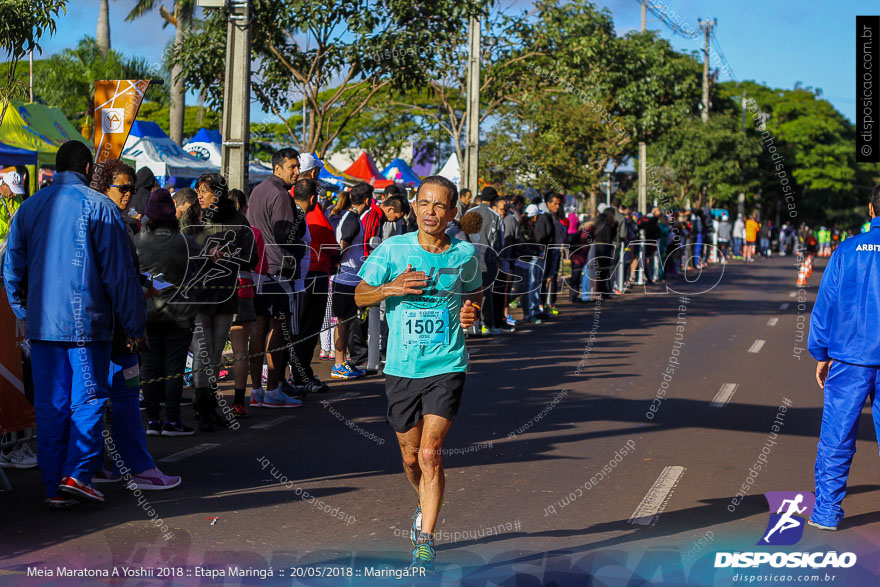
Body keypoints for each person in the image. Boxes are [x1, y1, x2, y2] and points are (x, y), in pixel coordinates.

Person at [4, 141, 147, 509]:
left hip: (42, 326)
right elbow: (119, 276)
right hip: (86, 325)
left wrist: (23, 311)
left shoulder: (30, 207)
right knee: (89, 399)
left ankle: (55, 486)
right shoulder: (101, 208)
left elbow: (11, 267)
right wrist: (133, 324)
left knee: (51, 406)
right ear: (86, 167)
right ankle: (77, 474)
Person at [354, 175, 481, 572]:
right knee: (410, 458)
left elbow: (474, 295)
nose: (430, 212)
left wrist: (470, 313)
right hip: (402, 366)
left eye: (440, 205)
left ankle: (425, 539)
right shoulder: (393, 249)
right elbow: (359, 293)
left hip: (447, 363)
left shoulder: (464, 254)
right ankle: (423, 502)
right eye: (424, 203)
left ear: (452, 212)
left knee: (430, 453)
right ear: (414, 206)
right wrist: (390, 288)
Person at [808, 186, 880, 531]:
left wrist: (820, 353)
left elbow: (826, 305)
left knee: (837, 437)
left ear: (870, 209)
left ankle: (826, 512)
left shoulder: (847, 250)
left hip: (849, 358)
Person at [187, 173, 258, 430]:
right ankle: (201, 407)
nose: (200, 196)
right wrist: (203, 254)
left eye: (205, 191)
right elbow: (180, 252)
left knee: (216, 354)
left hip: (226, 296)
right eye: (198, 191)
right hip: (197, 295)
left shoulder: (238, 220)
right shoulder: (192, 217)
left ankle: (212, 405)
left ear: (218, 193)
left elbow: (253, 258)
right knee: (202, 353)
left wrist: (229, 254)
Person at [246, 148, 307, 408]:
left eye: (297, 167)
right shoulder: (281, 194)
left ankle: (257, 390)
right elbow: (286, 236)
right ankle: (272, 389)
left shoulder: (258, 191)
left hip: (258, 270)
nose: (296, 171)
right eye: (292, 166)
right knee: (279, 331)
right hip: (278, 271)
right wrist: (302, 248)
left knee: (258, 330)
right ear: (277, 168)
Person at [136, 189, 199, 435]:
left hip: (148, 312)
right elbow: (197, 272)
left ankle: (152, 420)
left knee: (150, 367)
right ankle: (172, 420)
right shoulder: (186, 242)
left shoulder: (138, 241)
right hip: (180, 313)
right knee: (174, 368)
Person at [329, 183, 376, 379]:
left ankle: (343, 360)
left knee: (347, 322)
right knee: (343, 322)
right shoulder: (352, 219)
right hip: (345, 278)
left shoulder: (352, 216)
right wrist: (337, 264)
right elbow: (342, 245)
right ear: (367, 200)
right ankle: (338, 363)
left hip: (350, 278)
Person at [0, 170, 25, 238]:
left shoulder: (18, 198)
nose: (15, 194)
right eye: (13, 190)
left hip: (12, 243)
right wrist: (11, 228)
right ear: (4, 184)